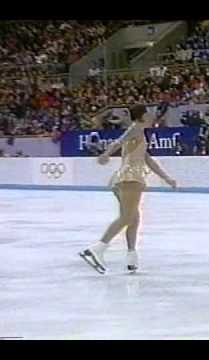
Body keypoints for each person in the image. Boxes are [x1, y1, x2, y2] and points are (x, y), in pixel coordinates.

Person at [79, 104, 177, 274]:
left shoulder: (139, 132)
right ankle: (97, 249)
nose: (152, 115)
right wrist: (106, 154)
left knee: (134, 218)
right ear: (142, 116)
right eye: (148, 112)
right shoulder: (136, 128)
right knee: (127, 217)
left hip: (126, 177)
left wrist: (166, 178)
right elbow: (119, 140)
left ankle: (131, 256)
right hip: (130, 177)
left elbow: (147, 159)